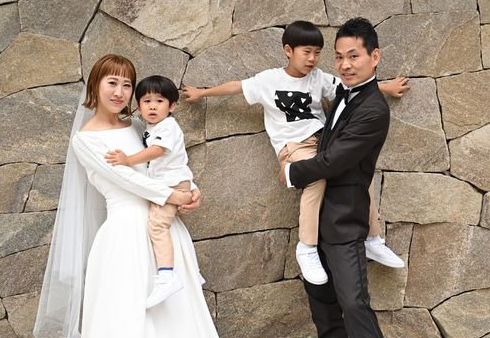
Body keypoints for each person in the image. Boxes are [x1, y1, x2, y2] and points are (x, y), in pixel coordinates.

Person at [183, 20, 406, 287]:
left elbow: (351, 85)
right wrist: (202, 93)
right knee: (316, 180)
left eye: (317, 53)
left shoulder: (318, 78)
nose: (312, 59)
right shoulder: (269, 80)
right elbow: (236, 87)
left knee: (360, 171)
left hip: (323, 142)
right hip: (294, 147)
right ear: (288, 51)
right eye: (306, 52)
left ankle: (373, 238)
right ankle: (307, 247)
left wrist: (386, 88)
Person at [34, 54, 219, 338]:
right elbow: (128, 179)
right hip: (126, 233)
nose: (119, 92)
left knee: (178, 317)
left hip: (164, 229)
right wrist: (174, 196)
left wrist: (190, 189)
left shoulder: (139, 126)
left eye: (127, 85)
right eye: (112, 83)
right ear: (95, 85)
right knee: (128, 316)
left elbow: (167, 162)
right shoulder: (86, 140)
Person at [281, 17, 390, 337]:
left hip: (344, 221)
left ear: (375, 56)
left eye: (353, 56)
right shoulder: (344, 92)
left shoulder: (374, 110)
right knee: (323, 309)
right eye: (339, 57)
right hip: (316, 222)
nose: (345, 65)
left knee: (354, 305)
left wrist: (291, 172)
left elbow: (333, 160)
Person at [105, 75, 193, 309]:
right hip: (168, 184)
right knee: (166, 229)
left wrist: (127, 160)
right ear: (138, 105)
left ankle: (166, 276)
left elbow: (156, 151)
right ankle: (189, 274)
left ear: (172, 106)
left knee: (157, 227)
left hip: (172, 186)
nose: (152, 106)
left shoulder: (168, 126)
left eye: (159, 101)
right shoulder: (150, 127)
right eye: (146, 101)